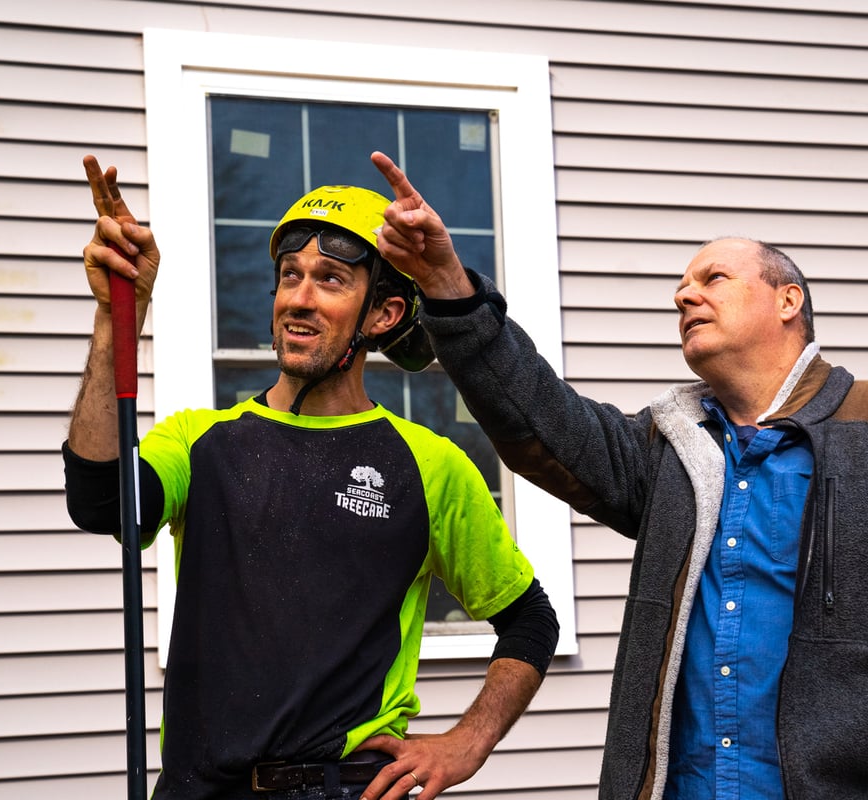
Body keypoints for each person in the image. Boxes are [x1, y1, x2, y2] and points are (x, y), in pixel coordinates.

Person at [369, 150, 868, 800]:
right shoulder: (669, 449)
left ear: (787, 300)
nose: (683, 293)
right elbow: (539, 421)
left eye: (712, 278)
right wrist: (448, 289)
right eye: (681, 287)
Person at [63, 156, 559, 800]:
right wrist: (115, 316)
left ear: (380, 316)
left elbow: (530, 619)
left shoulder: (428, 464)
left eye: (330, 279)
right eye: (289, 276)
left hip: (344, 786)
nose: (299, 298)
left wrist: (466, 743)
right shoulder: (199, 441)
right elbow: (102, 503)